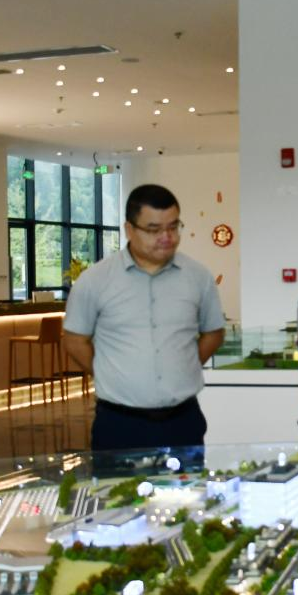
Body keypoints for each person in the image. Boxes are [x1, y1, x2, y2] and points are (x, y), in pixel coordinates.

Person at [63, 184, 225, 463]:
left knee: (188, 491)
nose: (166, 237)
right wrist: (110, 372)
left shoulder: (198, 277)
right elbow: (75, 341)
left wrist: (183, 363)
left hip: (183, 421)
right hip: (120, 424)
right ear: (129, 229)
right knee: (118, 492)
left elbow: (213, 333)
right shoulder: (95, 280)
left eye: (173, 227)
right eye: (154, 229)